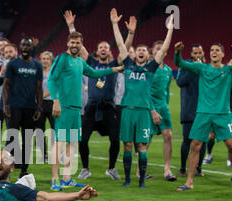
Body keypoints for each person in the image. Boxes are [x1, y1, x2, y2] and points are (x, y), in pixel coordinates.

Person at [63, 10, 136, 181]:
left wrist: (130, 33)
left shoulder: (114, 64)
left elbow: (124, 49)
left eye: (106, 48)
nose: (104, 49)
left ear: (110, 53)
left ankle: (111, 169)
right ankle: (85, 168)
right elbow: (78, 46)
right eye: (101, 47)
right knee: (83, 139)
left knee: (115, 139)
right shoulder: (91, 63)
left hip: (109, 107)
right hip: (91, 107)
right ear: (96, 51)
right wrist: (71, 26)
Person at [47, 31, 123, 191]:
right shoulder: (62, 59)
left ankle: (66, 178)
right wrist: (55, 101)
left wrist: (113, 70)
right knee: (59, 143)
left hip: (76, 109)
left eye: (78, 43)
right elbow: (52, 80)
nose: (75, 45)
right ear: (68, 43)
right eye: (72, 43)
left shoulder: (80, 62)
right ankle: (55, 179)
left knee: (72, 143)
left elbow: (95, 73)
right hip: (64, 107)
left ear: (81, 45)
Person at [110, 8, 174, 188]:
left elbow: (165, 49)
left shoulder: (151, 68)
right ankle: (128, 180)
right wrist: (115, 24)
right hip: (128, 111)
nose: (141, 52)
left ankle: (141, 181)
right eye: (138, 50)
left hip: (144, 113)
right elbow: (120, 45)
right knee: (128, 146)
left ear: (148, 55)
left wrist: (170, 29)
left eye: (144, 51)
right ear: (135, 54)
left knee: (142, 147)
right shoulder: (128, 65)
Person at [174, 42, 232, 191]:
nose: (214, 52)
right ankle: (189, 182)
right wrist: (177, 52)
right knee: (195, 145)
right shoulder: (201, 68)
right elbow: (179, 63)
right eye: (212, 50)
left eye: (217, 50)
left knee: (231, 145)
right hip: (203, 113)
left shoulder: (229, 70)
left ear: (222, 54)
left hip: (223, 114)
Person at [2, 37, 43, 178]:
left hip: (30, 108)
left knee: (27, 140)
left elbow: (39, 88)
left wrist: (39, 108)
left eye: (28, 45)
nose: (25, 48)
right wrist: (5, 105)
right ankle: (4, 169)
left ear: (32, 48)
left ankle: (24, 171)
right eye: (23, 45)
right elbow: (6, 85)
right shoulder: (13, 64)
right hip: (14, 106)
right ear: (20, 47)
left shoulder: (37, 65)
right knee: (11, 139)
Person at [203, 55, 232, 167]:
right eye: (231, 62)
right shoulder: (220, 76)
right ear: (228, 63)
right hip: (216, 111)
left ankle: (230, 158)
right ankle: (209, 154)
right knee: (211, 136)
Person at [176, 44, 206, 177]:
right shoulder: (185, 65)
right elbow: (180, 82)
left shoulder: (207, 67)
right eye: (195, 53)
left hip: (204, 109)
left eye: (200, 53)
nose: (198, 55)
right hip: (188, 109)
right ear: (191, 54)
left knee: (202, 140)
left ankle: (198, 167)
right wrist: (194, 68)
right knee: (187, 140)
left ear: (203, 53)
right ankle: (183, 168)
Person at [150, 40, 176, 181]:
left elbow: (166, 92)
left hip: (163, 107)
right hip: (150, 106)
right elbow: (145, 91)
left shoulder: (168, 70)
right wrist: (152, 110)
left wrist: (164, 107)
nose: (159, 51)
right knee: (146, 140)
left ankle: (167, 169)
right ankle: (139, 170)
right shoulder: (148, 69)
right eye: (157, 49)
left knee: (168, 136)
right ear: (152, 52)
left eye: (162, 49)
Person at [36, 51, 56, 163]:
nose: (45, 60)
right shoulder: (37, 71)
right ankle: (43, 155)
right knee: (40, 130)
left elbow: (56, 86)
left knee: (54, 129)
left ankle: (55, 153)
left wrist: (41, 96)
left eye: (47, 58)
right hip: (39, 104)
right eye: (43, 58)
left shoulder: (53, 72)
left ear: (51, 60)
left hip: (51, 102)